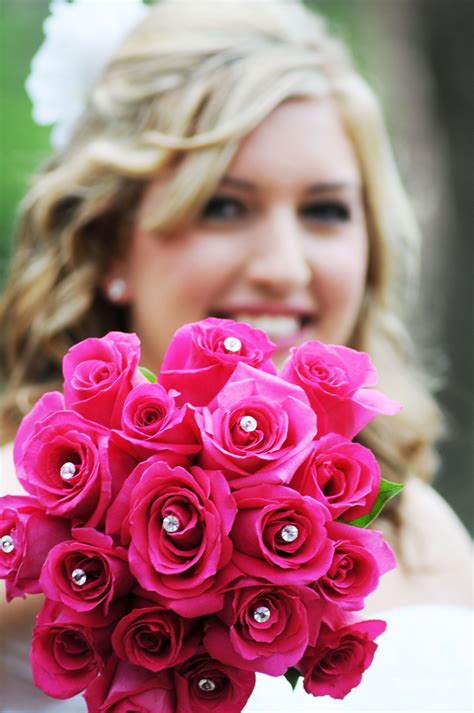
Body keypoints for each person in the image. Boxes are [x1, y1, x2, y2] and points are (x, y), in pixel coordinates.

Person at [0, 1, 471, 711]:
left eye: (326, 210)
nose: (285, 267)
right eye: (223, 206)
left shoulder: (422, 526)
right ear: (108, 245)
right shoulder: (22, 516)